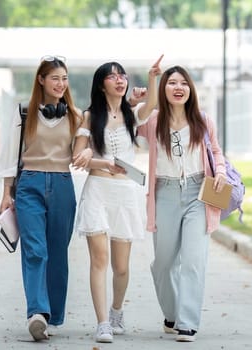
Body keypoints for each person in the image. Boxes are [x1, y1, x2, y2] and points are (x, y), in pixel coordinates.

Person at [0, 55, 90, 341]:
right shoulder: (25, 113)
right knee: (36, 250)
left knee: (58, 253)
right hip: (30, 185)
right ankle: (37, 312)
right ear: (41, 80)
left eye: (64, 78)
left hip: (62, 184)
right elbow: (11, 154)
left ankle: (52, 314)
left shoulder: (75, 114)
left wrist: (87, 151)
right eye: (54, 78)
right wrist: (6, 193)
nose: (61, 84)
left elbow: (86, 147)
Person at [72, 55, 162, 343]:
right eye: (112, 76)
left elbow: (153, 103)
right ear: (101, 86)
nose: (120, 79)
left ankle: (116, 311)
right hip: (97, 190)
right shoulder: (89, 117)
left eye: (122, 75)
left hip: (126, 193)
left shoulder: (132, 115)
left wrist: (152, 77)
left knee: (121, 267)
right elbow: (78, 157)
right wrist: (100, 161)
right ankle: (102, 324)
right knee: (99, 260)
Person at [137, 65, 227, 343]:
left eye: (183, 83)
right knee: (163, 263)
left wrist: (221, 172)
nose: (178, 87)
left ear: (190, 88)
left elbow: (215, 151)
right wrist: (143, 93)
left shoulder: (203, 120)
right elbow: (130, 127)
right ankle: (172, 313)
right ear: (164, 89)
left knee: (193, 260)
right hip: (164, 192)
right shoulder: (153, 121)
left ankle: (187, 322)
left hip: (198, 193)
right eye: (172, 82)